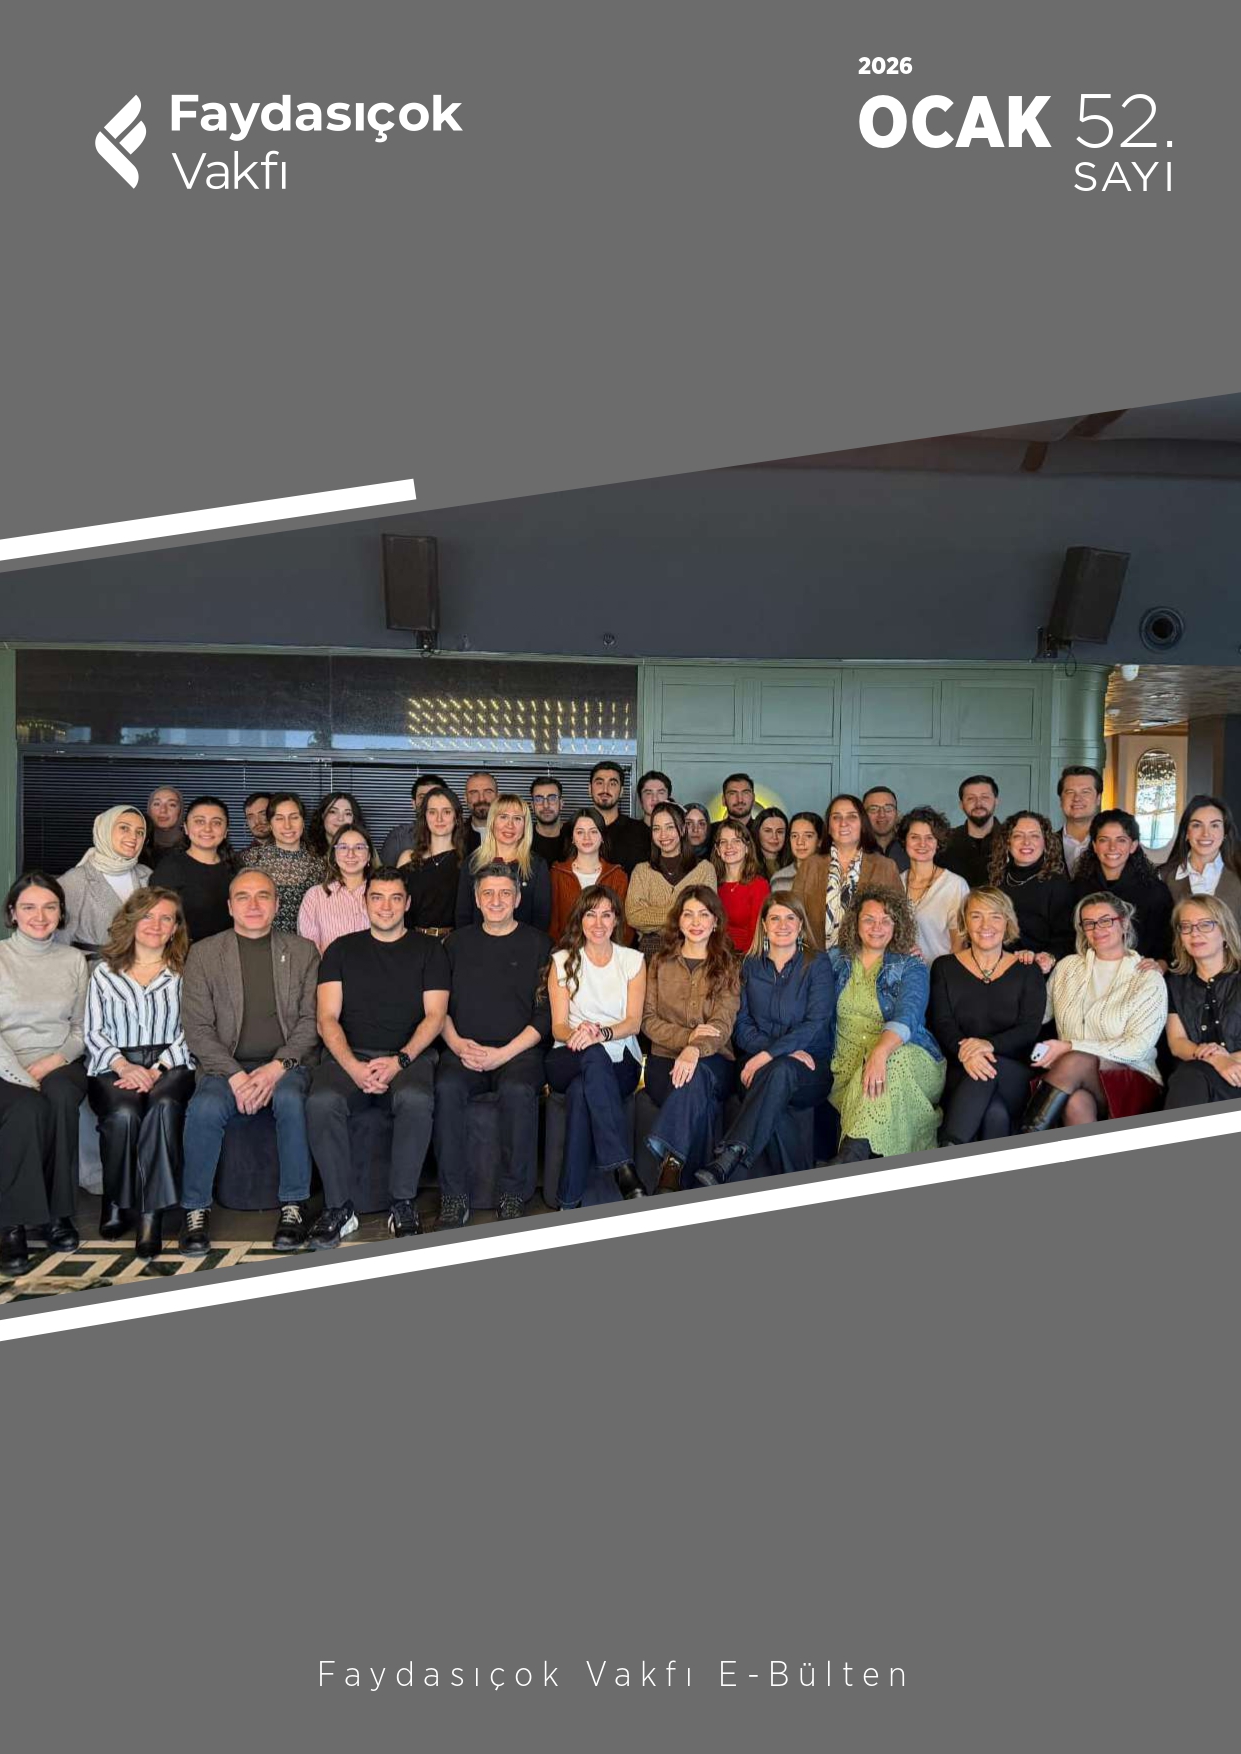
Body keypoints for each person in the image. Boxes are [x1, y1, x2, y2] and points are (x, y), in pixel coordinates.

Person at [179, 869, 320, 1255]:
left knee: (291, 1100)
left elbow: (311, 1020)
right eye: (243, 897)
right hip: (226, 1066)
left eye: (263, 896)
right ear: (230, 906)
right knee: (204, 1108)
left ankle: (293, 1206)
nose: (253, 905)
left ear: (277, 904)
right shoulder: (204, 954)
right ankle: (195, 1209)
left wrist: (277, 1068)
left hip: (288, 1065)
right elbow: (197, 1029)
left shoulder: (303, 951)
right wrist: (237, 1076)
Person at [306, 868, 450, 1246]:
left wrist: (400, 1061)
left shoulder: (430, 950)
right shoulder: (340, 949)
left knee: (415, 1099)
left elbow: (435, 1016)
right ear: (365, 901)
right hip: (348, 1056)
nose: (386, 907)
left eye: (395, 898)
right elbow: (326, 1018)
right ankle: (339, 1207)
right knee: (322, 1101)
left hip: (409, 1056)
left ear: (408, 903)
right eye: (377, 897)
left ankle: (402, 1203)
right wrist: (353, 1067)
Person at [434, 863, 551, 1227]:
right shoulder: (455, 944)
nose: (496, 900)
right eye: (488, 893)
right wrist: (456, 1044)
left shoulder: (539, 944)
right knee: (446, 1088)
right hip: (463, 1049)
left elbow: (545, 1016)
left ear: (517, 899)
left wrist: (503, 1054)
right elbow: (437, 1007)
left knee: (517, 1091)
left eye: (504, 893)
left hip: (519, 1053)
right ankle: (453, 1196)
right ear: (476, 899)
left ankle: (513, 1194)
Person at [693, 893, 836, 1188]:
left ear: (800, 924)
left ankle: (731, 1153)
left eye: (790, 918)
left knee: (780, 1073)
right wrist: (777, 1054)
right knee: (777, 1088)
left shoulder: (817, 964)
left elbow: (816, 1023)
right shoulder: (749, 965)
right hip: (756, 1068)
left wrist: (770, 1055)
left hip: (810, 1069)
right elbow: (742, 1026)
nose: (783, 925)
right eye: (775, 918)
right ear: (764, 925)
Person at [84, 888, 196, 1260]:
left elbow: (193, 1029)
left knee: (162, 1108)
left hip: (172, 1063)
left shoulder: (185, 971)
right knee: (124, 1113)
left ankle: (151, 1213)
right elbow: (93, 1032)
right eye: (147, 916)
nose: (155, 925)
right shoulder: (104, 972)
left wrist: (157, 1068)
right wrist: (124, 1066)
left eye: (166, 918)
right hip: (114, 1064)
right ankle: (116, 1199)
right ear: (132, 920)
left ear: (175, 927)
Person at [0, 874, 90, 1273]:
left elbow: (82, 1029)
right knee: (26, 1108)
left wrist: (53, 1062)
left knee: (61, 1098)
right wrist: (21, 1075)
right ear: (12, 913)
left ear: (60, 913)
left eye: (50, 907)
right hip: (4, 1064)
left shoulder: (73, 960)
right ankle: (12, 1225)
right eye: (29, 907)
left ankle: (59, 1215)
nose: (40, 916)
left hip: (58, 1061)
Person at [1020, 892, 1168, 1130]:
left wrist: (1070, 1046)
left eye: (1106, 920)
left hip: (1133, 1077)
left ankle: (1027, 1136)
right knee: (1076, 1102)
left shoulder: (1147, 978)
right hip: (1071, 1080)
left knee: (1074, 1059)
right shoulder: (1067, 967)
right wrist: (1017, 968)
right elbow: (1036, 1016)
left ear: (1124, 923)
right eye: (1089, 923)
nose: (1097, 929)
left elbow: (1137, 1048)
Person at [827, 888, 945, 1163]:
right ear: (855, 922)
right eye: (869, 919)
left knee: (893, 1062)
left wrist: (879, 1054)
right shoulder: (835, 960)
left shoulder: (910, 965)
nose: (877, 927)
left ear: (897, 925)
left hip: (909, 1057)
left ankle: (849, 1157)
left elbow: (908, 1015)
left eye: (886, 920)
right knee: (876, 1075)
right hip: (844, 1062)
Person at [546, 886, 647, 1205]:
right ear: (580, 918)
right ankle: (623, 1167)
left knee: (581, 1091)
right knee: (591, 1055)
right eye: (591, 914)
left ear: (616, 920)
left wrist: (600, 1034)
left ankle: (568, 1200)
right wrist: (581, 1035)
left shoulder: (632, 960)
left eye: (606, 914)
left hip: (622, 1060)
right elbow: (558, 1026)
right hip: (568, 1055)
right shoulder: (562, 961)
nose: (598, 923)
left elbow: (634, 1023)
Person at [929, 888, 1047, 1143]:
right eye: (976, 916)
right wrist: (967, 1052)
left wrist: (987, 1046)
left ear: (1007, 922)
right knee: (995, 1114)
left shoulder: (1028, 971)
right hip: (959, 1068)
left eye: (995, 916)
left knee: (988, 1069)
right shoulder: (944, 967)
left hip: (1012, 1074)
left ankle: (948, 1147)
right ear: (964, 921)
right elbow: (942, 1023)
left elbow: (1029, 1030)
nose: (986, 925)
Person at [641, 887, 740, 1190]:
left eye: (704, 914)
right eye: (688, 914)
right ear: (678, 920)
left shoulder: (728, 965)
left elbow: (723, 1023)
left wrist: (695, 1049)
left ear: (715, 921)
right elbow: (647, 1021)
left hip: (714, 1060)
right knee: (701, 1101)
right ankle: (692, 1184)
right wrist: (687, 1038)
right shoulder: (660, 962)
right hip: (664, 1061)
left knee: (698, 1078)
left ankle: (671, 1166)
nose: (696, 922)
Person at [791, 794, 900, 952]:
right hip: (818, 961)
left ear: (863, 824)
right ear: (829, 827)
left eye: (852, 817)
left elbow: (900, 919)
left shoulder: (885, 867)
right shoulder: (810, 866)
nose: (843, 823)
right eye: (836, 817)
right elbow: (793, 915)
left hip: (868, 961)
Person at [1164, 895, 1241, 1108]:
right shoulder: (1174, 983)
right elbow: (1177, 1042)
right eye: (1186, 927)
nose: (1194, 933)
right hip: (1196, 1077)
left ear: (1225, 931)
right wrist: (1217, 1060)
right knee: (1190, 1075)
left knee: (1189, 1077)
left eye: (1205, 924)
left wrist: (1230, 1061)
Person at [1072, 809, 1174, 966]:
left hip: (1140, 972)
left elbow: (1167, 945)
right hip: (1088, 970)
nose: (1112, 847)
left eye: (1121, 840)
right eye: (1104, 840)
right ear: (1094, 846)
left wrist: (1160, 966)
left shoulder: (1155, 892)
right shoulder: (1077, 889)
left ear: (1133, 846)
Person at [987, 810, 1076, 972]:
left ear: (1045, 842)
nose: (1026, 842)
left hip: (1038, 969)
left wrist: (1049, 957)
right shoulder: (995, 879)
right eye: (1018, 836)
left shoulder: (1057, 884)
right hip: (998, 967)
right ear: (1007, 842)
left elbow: (1066, 937)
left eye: (1034, 836)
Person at [625, 801, 717, 955]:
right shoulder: (641, 871)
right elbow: (633, 916)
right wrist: (683, 912)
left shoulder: (705, 870)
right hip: (651, 953)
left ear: (682, 829)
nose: (663, 835)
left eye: (670, 827)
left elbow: (705, 917)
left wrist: (651, 917)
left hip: (694, 951)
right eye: (656, 829)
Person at [58, 805, 152, 955]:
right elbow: (59, 941)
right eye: (124, 828)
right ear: (105, 830)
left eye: (140, 832)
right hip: (90, 967)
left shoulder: (147, 875)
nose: (134, 837)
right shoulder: (75, 880)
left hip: (141, 965)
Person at [455, 795, 552, 930]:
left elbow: (541, 918)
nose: (510, 825)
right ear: (492, 821)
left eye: (517, 818)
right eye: (503, 817)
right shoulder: (472, 864)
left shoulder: (537, 865)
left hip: (524, 942)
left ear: (525, 826)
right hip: (477, 941)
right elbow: (463, 916)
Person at [150, 794, 237, 943]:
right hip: (184, 953)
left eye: (216, 822)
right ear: (186, 827)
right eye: (199, 821)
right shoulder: (169, 869)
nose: (207, 828)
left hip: (229, 951)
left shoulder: (237, 868)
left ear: (226, 831)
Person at [240, 791, 325, 935]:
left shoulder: (319, 863)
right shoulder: (250, 860)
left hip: (305, 944)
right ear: (270, 824)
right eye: (279, 818)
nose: (287, 825)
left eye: (294, 817)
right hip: (261, 942)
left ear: (303, 821)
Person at [549, 807, 630, 943]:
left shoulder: (617, 876)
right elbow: (552, 924)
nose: (586, 838)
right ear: (572, 838)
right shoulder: (557, 873)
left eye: (593, 831)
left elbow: (623, 924)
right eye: (580, 832)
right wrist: (562, 952)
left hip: (607, 952)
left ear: (602, 836)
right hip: (566, 951)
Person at [898, 806, 968, 961]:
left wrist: (945, 974)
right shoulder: (896, 882)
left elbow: (959, 945)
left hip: (941, 972)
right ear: (905, 841)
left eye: (929, 838)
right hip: (904, 973)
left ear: (938, 843)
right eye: (914, 837)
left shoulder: (955, 885)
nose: (922, 844)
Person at [397, 785, 464, 936]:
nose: (439, 819)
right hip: (413, 941)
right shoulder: (408, 859)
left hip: (452, 942)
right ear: (425, 817)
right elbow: (398, 911)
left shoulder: (467, 863)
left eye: (446, 812)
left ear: (456, 817)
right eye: (432, 812)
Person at [297, 825, 376, 953]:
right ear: (334, 854)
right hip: (328, 966)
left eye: (359, 847)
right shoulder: (315, 896)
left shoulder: (382, 894)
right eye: (343, 847)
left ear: (368, 856)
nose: (351, 854)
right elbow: (309, 952)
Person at [1160, 794, 1241, 915]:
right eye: (1197, 825)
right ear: (1187, 833)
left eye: (1214, 825)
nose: (1206, 834)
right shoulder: (1163, 877)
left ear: (1225, 833)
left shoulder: (1238, 873)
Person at [713, 820, 770, 953]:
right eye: (723, 842)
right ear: (717, 850)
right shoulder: (711, 883)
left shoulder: (759, 885)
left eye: (736, 841)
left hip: (745, 956)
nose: (729, 846)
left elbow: (757, 934)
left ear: (747, 848)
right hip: (714, 954)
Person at [588, 760, 650, 873]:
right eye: (599, 783)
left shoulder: (641, 832)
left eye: (612, 784)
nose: (605, 789)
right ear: (589, 789)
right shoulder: (572, 831)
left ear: (621, 791)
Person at [942, 775, 1001, 889]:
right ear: (961, 805)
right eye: (971, 798)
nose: (978, 804)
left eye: (985, 797)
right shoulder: (945, 841)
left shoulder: (1011, 840)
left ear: (996, 801)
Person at [380, 774, 449, 865]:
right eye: (422, 797)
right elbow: (385, 873)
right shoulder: (398, 838)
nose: (428, 801)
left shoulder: (460, 836)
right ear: (413, 804)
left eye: (434, 796)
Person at [1055, 766, 1103, 879]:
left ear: (1098, 799)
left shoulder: (1115, 846)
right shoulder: (1045, 845)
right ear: (1061, 800)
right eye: (1070, 792)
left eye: (1085, 792)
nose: (1077, 798)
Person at [306, 791, 371, 861]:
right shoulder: (307, 851)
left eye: (347, 813)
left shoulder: (364, 849)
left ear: (354, 818)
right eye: (333, 812)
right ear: (322, 815)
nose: (340, 818)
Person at [771, 810, 823, 893]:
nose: (800, 842)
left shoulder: (833, 876)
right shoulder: (779, 879)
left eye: (808, 836)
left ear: (819, 841)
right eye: (794, 836)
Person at [863, 787, 910, 875]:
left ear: (897, 813)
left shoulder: (911, 848)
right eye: (873, 809)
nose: (882, 815)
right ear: (863, 815)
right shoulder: (854, 850)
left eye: (888, 808)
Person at [529, 775, 567, 864]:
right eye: (539, 799)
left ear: (561, 803)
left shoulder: (575, 835)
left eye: (552, 798)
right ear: (532, 806)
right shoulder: (523, 838)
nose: (545, 805)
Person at [462, 770, 499, 855]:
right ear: (465, 798)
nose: (481, 799)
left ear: (497, 797)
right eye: (474, 793)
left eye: (488, 792)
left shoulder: (514, 833)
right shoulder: (455, 837)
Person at [146, 785, 187, 858]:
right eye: (157, 804)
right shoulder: (138, 843)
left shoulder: (192, 845)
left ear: (180, 811)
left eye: (171, 805)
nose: (163, 810)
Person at [752, 805, 790, 883]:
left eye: (780, 832)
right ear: (757, 833)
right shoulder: (746, 866)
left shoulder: (795, 865)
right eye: (768, 831)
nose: (774, 837)